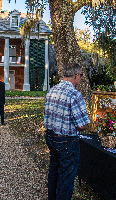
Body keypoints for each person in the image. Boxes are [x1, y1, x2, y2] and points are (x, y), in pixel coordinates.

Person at [44, 63, 90, 200]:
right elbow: (82, 125)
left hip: (51, 136)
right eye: (80, 76)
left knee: (54, 171)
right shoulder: (75, 95)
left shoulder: (52, 90)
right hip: (66, 140)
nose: (80, 79)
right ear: (76, 75)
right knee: (66, 176)